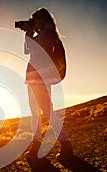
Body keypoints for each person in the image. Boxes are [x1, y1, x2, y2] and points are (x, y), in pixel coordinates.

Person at [23, 8, 73, 160]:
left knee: (47, 112)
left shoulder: (48, 34)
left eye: (34, 20)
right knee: (35, 113)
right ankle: (36, 146)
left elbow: (33, 47)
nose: (33, 23)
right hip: (33, 77)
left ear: (41, 19)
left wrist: (30, 33)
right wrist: (29, 33)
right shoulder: (40, 34)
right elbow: (26, 50)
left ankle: (65, 144)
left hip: (40, 78)